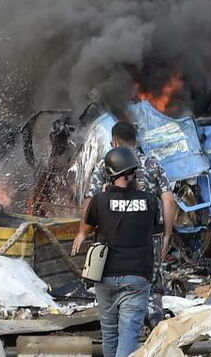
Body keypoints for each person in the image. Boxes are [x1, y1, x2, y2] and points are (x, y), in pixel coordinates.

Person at [76, 121, 175, 325]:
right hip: (150, 236)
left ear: (114, 141)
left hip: (113, 236)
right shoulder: (152, 164)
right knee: (152, 282)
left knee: (114, 280)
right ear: (136, 140)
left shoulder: (107, 166)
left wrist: (82, 232)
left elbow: (90, 198)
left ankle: (120, 325)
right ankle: (154, 328)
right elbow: (168, 200)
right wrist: (166, 235)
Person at [73, 146, 161, 357]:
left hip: (105, 276)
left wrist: (82, 234)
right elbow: (154, 225)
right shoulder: (149, 201)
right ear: (133, 173)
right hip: (137, 277)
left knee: (110, 333)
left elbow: (88, 224)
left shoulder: (100, 201)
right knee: (128, 335)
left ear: (110, 174)